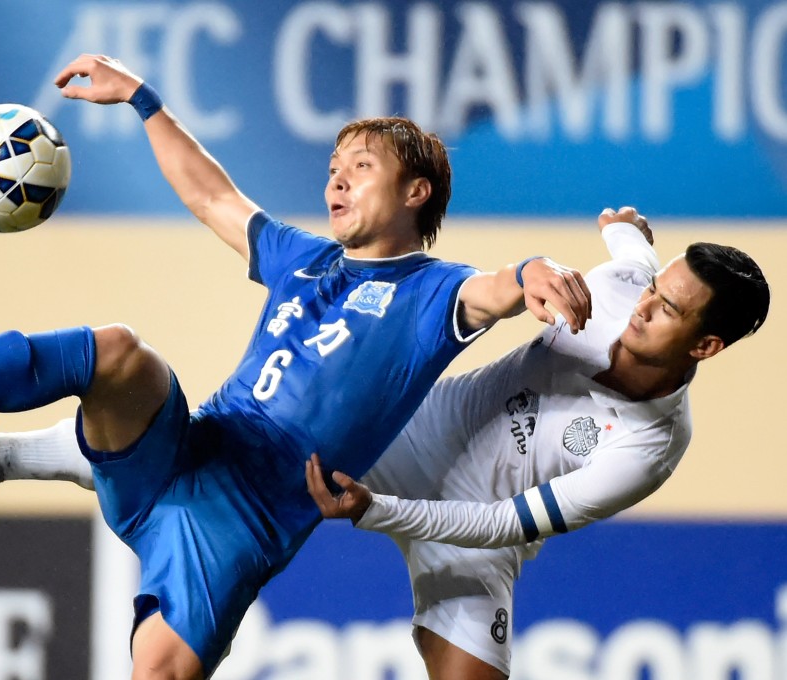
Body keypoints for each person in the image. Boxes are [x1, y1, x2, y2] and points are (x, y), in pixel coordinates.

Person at [0, 53, 592, 680]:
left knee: (162, 673)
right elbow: (213, 197)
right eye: (333, 164)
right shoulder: (303, 259)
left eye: (362, 165)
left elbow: (501, 289)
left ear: (417, 191)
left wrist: (537, 271)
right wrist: (143, 99)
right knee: (119, 350)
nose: (337, 177)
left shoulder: (435, 294)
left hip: (238, 524)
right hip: (182, 450)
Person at [304, 207, 770, 679]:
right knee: (265, 460)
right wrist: (622, 227)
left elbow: (501, 523)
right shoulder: (618, 285)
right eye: (653, 289)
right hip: (414, 433)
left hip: (483, 532)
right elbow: (635, 258)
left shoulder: (650, 449)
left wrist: (375, 509)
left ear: (706, 346)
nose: (642, 308)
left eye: (668, 309)